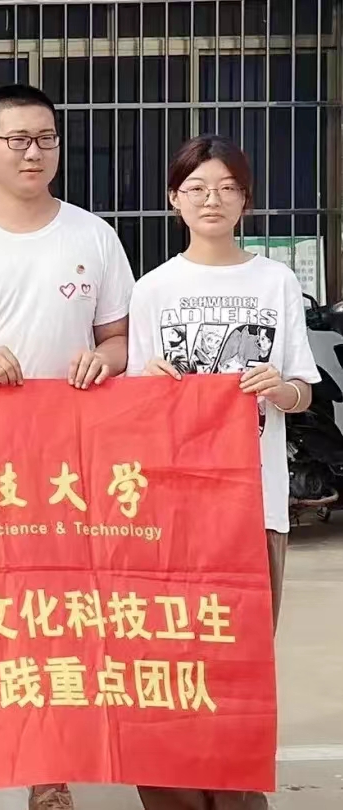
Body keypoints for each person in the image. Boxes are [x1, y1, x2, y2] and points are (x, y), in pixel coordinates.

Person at [0, 83, 138, 810]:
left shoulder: (93, 236)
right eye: (17, 139)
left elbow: (120, 338)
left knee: (55, 613)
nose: (32, 152)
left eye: (45, 138)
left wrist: (106, 359)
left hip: (65, 461)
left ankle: (50, 771)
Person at [127, 134, 317, 810]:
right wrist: (150, 387)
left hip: (254, 504)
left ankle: (236, 800)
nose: (212, 199)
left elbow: (303, 388)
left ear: (246, 201)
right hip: (174, 510)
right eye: (197, 188)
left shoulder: (275, 282)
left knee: (240, 667)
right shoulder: (153, 289)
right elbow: (133, 407)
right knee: (172, 659)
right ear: (173, 199)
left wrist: (279, 388)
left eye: (227, 188)